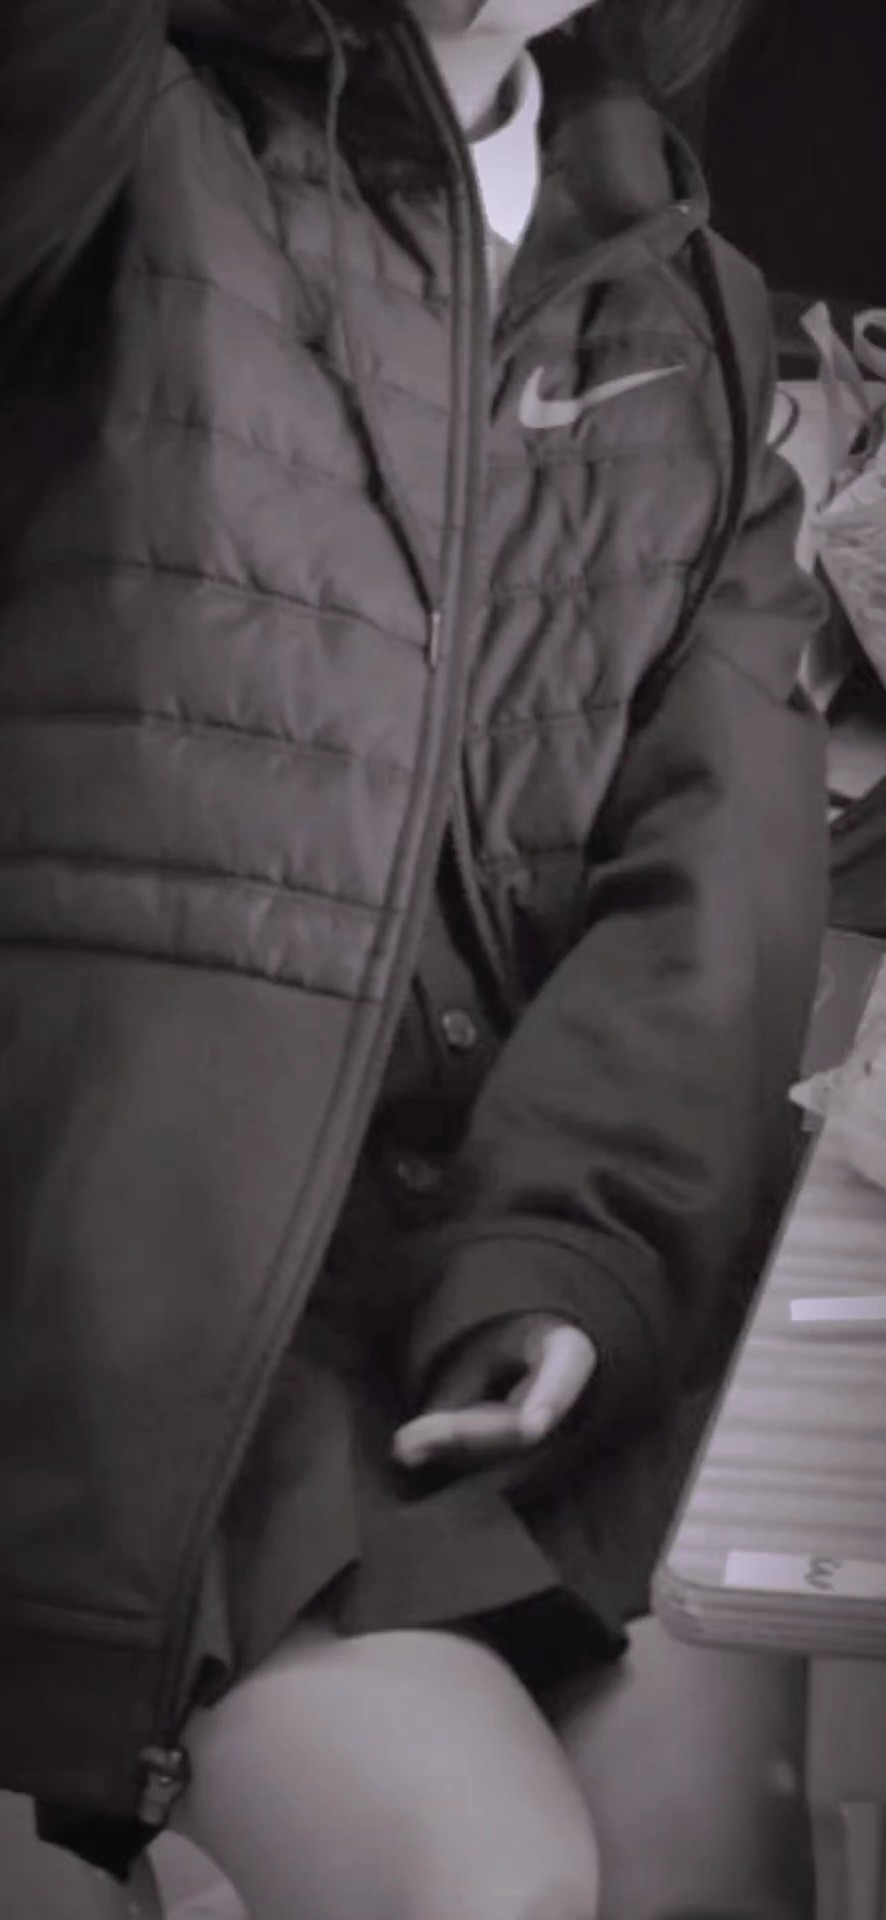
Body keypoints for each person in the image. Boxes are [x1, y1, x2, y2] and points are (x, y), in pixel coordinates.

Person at [0, 1, 827, 1916]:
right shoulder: (104, 128)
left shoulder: (689, 303)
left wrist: (577, 1253)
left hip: (515, 1293)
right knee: (482, 1885)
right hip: (143, 1304)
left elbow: (708, 889)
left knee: (719, 1873)